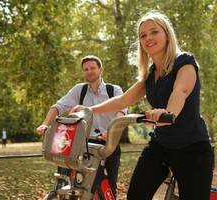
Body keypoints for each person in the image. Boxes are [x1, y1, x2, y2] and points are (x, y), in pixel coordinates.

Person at [72, 11, 213, 200]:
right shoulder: (149, 75)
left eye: (154, 32)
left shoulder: (184, 62)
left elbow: (180, 92)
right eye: (143, 35)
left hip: (192, 148)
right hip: (161, 146)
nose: (148, 38)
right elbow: (123, 101)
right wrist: (89, 109)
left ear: (167, 34)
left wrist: (167, 113)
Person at [36, 55, 127, 196]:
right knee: (74, 185)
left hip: (108, 145)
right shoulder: (80, 90)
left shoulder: (114, 90)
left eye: (92, 68)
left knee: (108, 186)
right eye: (86, 69)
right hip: (82, 145)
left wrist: (111, 132)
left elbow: (122, 111)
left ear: (101, 69)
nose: (89, 71)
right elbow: (58, 106)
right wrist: (44, 124)